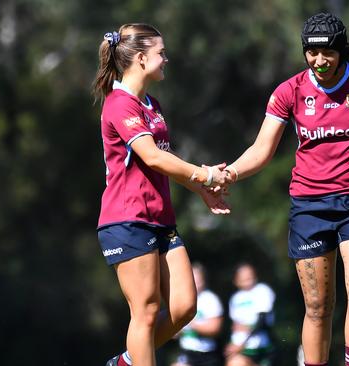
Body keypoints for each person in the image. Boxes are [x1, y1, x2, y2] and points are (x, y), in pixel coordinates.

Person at [221, 12, 349, 366]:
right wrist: (230, 173)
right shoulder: (290, 91)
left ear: (342, 51)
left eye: (327, 53)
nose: (319, 61)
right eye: (311, 53)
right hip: (309, 206)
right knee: (318, 306)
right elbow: (262, 149)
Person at [92, 23, 231, 366]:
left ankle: (125, 361)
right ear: (141, 59)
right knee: (147, 310)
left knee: (185, 307)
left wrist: (200, 190)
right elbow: (152, 156)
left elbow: (163, 162)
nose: (166, 59)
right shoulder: (118, 104)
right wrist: (206, 173)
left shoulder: (151, 103)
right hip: (127, 219)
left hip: (160, 219)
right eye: (161, 53)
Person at [171, 263, 224, 366]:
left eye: (198, 278)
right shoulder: (181, 299)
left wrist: (190, 323)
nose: (195, 281)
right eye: (192, 277)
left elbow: (214, 329)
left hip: (206, 355)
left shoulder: (211, 299)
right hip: (186, 353)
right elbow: (173, 333)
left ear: (203, 280)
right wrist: (175, 331)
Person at [224, 263, 276, 366]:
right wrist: (232, 344)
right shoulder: (235, 298)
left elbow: (262, 322)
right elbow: (236, 326)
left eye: (249, 273)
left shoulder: (263, 290)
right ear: (236, 280)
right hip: (242, 349)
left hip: (261, 349)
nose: (247, 277)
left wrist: (242, 343)